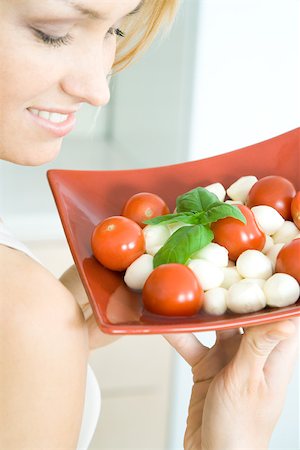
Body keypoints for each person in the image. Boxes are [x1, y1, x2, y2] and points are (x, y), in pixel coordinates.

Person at [0, 0, 298, 449]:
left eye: (115, 32)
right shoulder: (26, 314)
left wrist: (60, 349)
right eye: (52, 32)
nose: (98, 88)